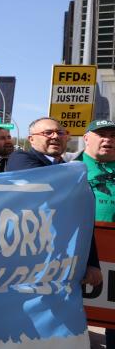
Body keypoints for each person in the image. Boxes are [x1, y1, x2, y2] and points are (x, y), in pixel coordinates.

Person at [4, 117, 102, 287]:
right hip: (24, 255)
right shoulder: (21, 159)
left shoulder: (72, 170)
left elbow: (83, 218)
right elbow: (47, 184)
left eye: (60, 133)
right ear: (31, 139)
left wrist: (92, 262)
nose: (55, 136)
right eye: (48, 133)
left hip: (60, 259)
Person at [78, 119, 115, 346]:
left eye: (113, 136)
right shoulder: (69, 168)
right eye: (102, 134)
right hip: (84, 254)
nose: (108, 139)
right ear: (86, 138)